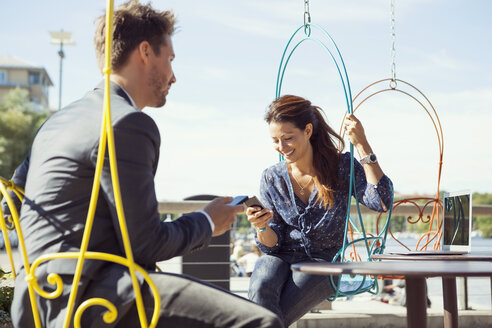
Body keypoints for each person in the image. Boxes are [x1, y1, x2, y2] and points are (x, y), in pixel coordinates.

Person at [10, 2, 283, 328]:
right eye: (170, 59)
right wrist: (208, 221)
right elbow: (146, 242)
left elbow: (12, 200)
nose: (174, 76)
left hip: (37, 300)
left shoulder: (57, 123)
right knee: (262, 322)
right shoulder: (126, 123)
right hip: (94, 300)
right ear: (145, 52)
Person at [246, 95, 393, 326]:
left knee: (268, 318)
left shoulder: (341, 167)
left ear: (307, 130)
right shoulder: (272, 177)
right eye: (275, 140)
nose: (281, 147)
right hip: (279, 256)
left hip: (323, 262)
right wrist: (261, 225)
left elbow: (381, 201)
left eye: (288, 138)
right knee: (262, 285)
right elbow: (271, 244)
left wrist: (362, 144)